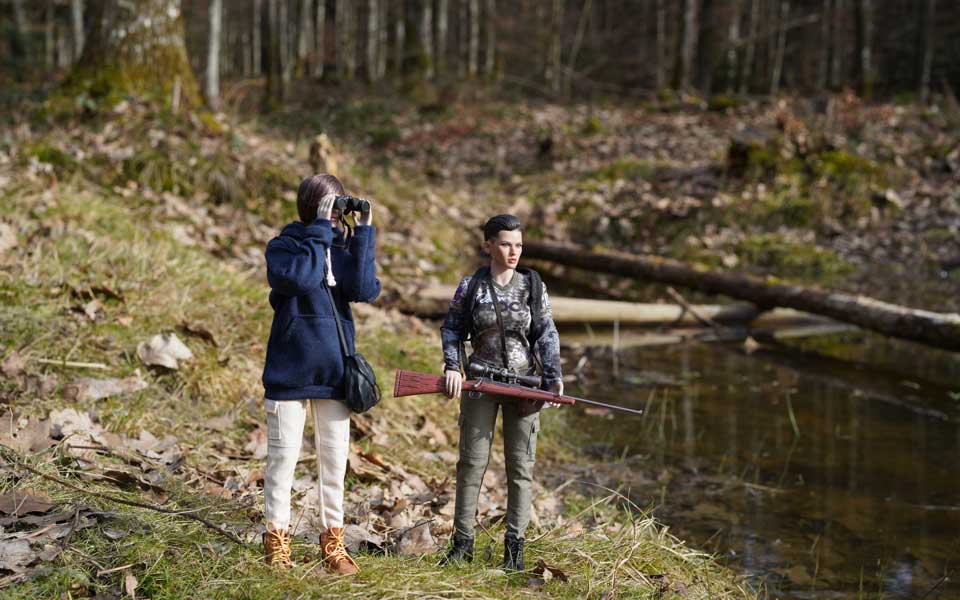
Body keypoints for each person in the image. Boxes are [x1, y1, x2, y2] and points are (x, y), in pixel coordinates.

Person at [260, 174, 380, 573]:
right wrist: (317, 232)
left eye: (338, 203)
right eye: (328, 203)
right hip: (289, 370)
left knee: (334, 462)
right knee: (284, 460)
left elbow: (363, 289)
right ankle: (277, 542)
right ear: (312, 204)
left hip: (334, 372)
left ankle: (333, 544)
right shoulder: (285, 245)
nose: (335, 211)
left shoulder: (340, 245)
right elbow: (300, 279)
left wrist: (362, 235)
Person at [439, 214, 563, 571]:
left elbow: (546, 333)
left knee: (521, 467)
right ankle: (462, 544)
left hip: (524, 386)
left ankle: (515, 548)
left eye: (519, 245)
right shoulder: (471, 286)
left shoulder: (533, 287)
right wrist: (452, 367)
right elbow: (452, 330)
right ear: (488, 246)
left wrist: (553, 375)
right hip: (480, 385)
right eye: (506, 244)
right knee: (471, 464)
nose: (514, 252)